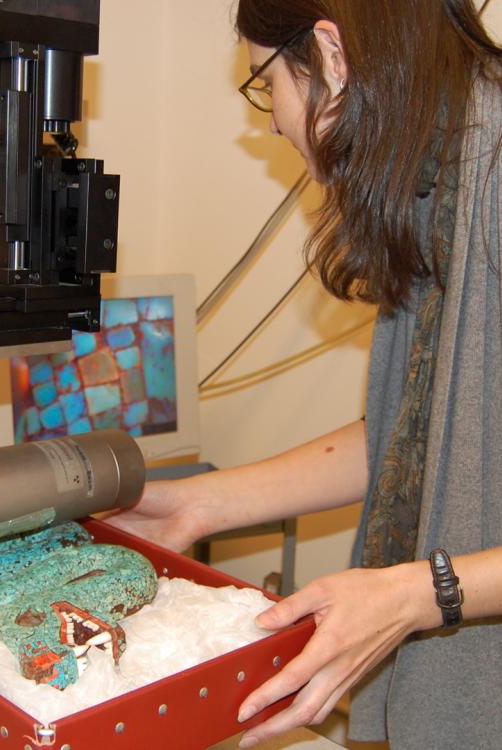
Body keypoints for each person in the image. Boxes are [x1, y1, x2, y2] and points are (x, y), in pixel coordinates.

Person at [105, 1, 502, 748]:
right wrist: (197, 503)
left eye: (265, 83)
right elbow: (422, 440)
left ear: (331, 56)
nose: (274, 121)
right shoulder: (425, 184)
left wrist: (424, 593)